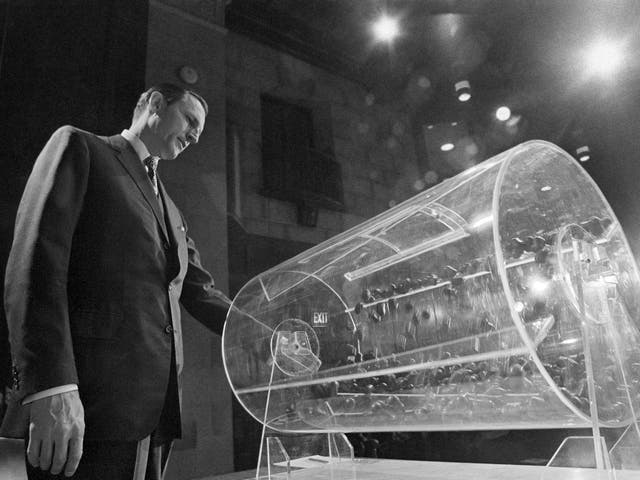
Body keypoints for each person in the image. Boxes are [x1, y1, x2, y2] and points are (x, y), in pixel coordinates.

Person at [2, 83, 231, 479]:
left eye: (200, 130)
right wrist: (51, 387)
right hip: (86, 407)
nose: (196, 135)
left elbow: (200, 292)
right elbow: (36, 265)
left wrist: (264, 327)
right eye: (191, 120)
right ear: (155, 103)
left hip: (155, 416)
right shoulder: (82, 148)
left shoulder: (173, 209)